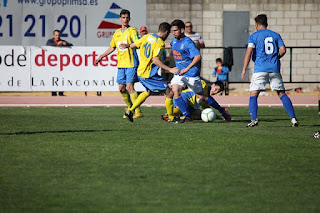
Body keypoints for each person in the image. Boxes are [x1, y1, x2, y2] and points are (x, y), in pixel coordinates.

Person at [166, 19, 231, 123]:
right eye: (172, 31)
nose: (173, 33)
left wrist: (187, 68)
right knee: (175, 91)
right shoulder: (174, 40)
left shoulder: (188, 42)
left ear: (182, 30)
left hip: (191, 73)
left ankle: (222, 110)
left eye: (175, 30)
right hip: (179, 73)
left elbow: (197, 56)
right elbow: (169, 44)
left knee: (201, 96)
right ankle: (187, 116)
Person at [241, 14, 298, 127]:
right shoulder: (275, 35)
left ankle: (254, 119)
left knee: (253, 93)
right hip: (274, 68)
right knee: (281, 93)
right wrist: (275, 58)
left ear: (257, 24)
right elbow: (283, 50)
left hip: (260, 69)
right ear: (267, 23)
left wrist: (244, 69)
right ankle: (293, 119)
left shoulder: (254, 36)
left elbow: (249, 53)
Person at [120, 22, 180, 123]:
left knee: (148, 92)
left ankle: (130, 111)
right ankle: (171, 118)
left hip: (141, 72)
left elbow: (135, 45)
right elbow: (155, 60)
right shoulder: (159, 43)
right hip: (149, 74)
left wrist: (128, 45)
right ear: (166, 32)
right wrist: (170, 69)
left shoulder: (147, 36)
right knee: (169, 93)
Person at [95, 9, 143, 119]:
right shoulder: (116, 33)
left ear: (129, 19)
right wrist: (101, 56)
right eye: (123, 17)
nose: (125, 19)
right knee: (121, 88)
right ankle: (130, 108)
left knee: (130, 86)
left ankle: (138, 111)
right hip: (121, 64)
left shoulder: (132, 31)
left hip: (131, 63)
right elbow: (112, 47)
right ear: (120, 19)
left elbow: (138, 43)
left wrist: (129, 45)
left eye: (127, 18)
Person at [161, 80, 225, 121]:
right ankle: (168, 115)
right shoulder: (203, 85)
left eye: (217, 91)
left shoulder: (207, 99)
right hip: (183, 98)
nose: (215, 92)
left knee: (201, 114)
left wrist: (221, 118)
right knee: (182, 107)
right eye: (216, 89)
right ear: (213, 85)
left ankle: (179, 117)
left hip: (190, 107)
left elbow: (208, 111)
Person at [46, 30, 73, 96]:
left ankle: (61, 92)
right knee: (53, 76)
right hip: (52, 62)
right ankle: (53, 92)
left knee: (62, 76)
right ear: (53, 36)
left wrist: (66, 44)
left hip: (61, 63)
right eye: (56, 35)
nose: (57, 37)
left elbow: (71, 45)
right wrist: (56, 44)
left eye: (58, 35)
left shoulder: (62, 41)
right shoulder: (50, 41)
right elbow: (48, 45)